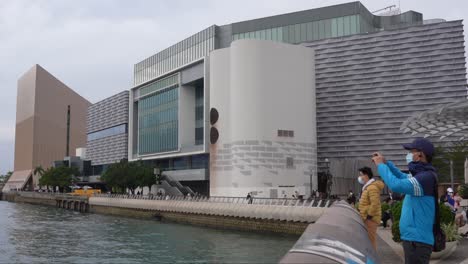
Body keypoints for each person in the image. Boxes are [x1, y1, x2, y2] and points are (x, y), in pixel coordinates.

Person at [372, 138, 437, 263]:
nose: (409, 155)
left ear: (420, 154)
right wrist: (386, 164)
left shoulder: (425, 178)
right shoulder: (422, 175)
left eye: (411, 151)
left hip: (417, 241)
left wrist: (380, 165)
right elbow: (402, 176)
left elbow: (396, 185)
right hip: (415, 239)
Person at [357, 166, 384, 250]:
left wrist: (369, 215)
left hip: (370, 219)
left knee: (370, 242)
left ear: (366, 175)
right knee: (368, 241)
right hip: (366, 217)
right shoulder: (367, 187)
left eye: (361, 175)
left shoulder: (372, 187)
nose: (360, 177)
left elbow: (375, 203)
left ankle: (372, 260)